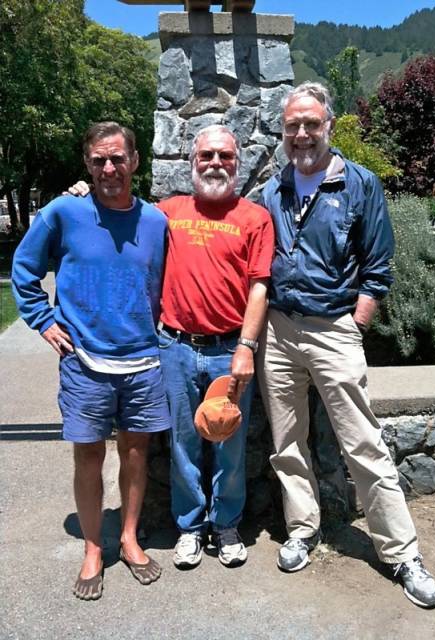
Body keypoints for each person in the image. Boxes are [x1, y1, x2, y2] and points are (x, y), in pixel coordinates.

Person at [256, 82, 435, 608]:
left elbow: (377, 263)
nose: (301, 134)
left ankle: (402, 553)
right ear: (283, 131)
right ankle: (302, 529)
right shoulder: (273, 189)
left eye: (311, 123)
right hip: (278, 329)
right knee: (287, 442)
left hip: (334, 327)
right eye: (292, 125)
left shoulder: (359, 183)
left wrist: (355, 323)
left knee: (364, 443)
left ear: (329, 126)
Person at [68, 124, 275, 569]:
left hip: (228, 350)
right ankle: (190, 527)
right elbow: (118, 212)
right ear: (192, 162)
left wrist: (246, 347)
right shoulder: (166, 213)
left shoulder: (255, 218)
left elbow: (260, 287)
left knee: (229, 442)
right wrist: (85, 194)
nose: (215, 163)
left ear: (237, 163)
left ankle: (226, 524)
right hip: (174, 347)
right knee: (182, 443)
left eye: (224, 156)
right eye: (207, 156)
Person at [12, 122, 170, 601]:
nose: (109, 168)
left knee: (136, 452)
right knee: (88, 455)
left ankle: (129, 538)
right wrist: (43, 321)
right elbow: (24, 269)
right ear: (87, 164)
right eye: (99, 160)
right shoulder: (64, 212)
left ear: (135, 161)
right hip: (83, 361)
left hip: (142, 361)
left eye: (118, 158)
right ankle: (93, 547)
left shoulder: (156, 221)